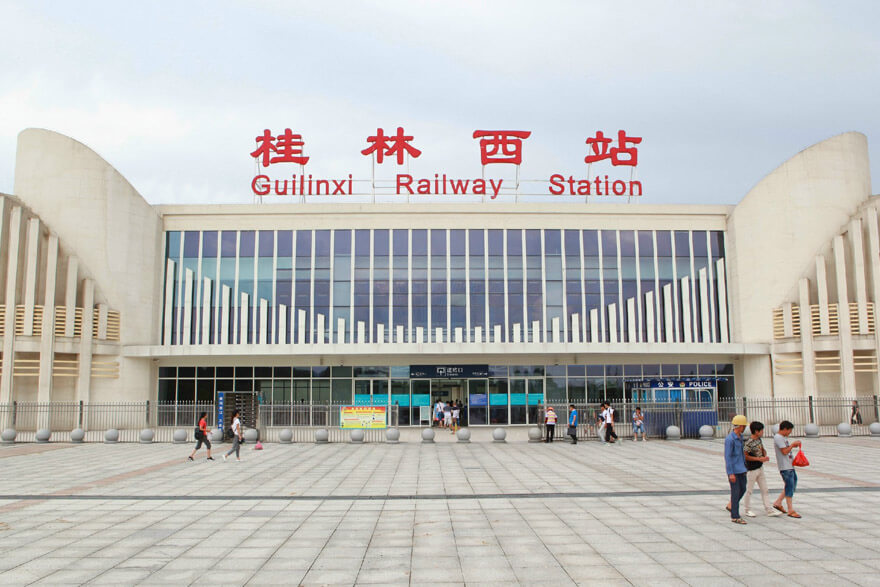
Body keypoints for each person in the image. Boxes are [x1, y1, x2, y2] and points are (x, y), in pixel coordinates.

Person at [742, 421, 782, 518]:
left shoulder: (759, 439)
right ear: (756, 431)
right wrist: (758, 459)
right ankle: (747, 509)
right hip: (752, 469)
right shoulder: (748, 442)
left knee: (765, 489)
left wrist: (764, 454)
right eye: (761, 430)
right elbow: (745, 456)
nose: (762, 432)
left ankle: (768, 509)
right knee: (749, 490)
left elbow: (762, 449)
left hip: (760, 467)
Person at [772, 420, 802, 518]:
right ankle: (790, 509)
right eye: (789, 430)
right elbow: (784, 451)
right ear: (785, 429)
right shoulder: (778, 438)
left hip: (789, 465)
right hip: (785, 467)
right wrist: (792, 445)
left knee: (791, 485)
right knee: (789, 486)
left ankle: (778, 502)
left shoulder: (783, 438)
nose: (790, 433)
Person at [725, 415, 749, 524]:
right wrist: (730, 473)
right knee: (735, 492)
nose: (744, 428)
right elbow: (728, 457)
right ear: (739, 426)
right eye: (743, 426)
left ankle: (732, 505)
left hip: (742, 469)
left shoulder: (740, 437)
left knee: (743, 489)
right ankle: (735, 516)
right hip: (734, 470)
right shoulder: (730, 439)